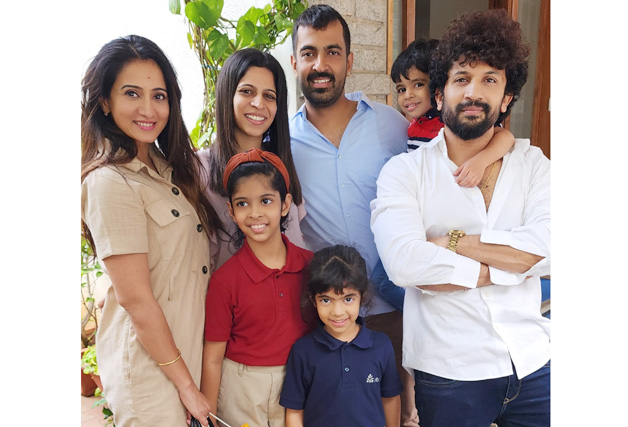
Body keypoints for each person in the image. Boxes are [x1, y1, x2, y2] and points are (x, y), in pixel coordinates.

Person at [371, 9, 551, 427]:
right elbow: (405, 263)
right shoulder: (404, 173)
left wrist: (454, 242)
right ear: (440, 95)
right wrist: (512, 268)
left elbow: (551, 247)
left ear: (506, 98)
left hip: (533, 360)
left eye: (490, 80)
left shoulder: (534, 165)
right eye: (462, 78)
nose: (474, 92)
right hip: (450, 371)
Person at [81, 35, 222, 426]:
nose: (148, 109)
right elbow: (137, 301)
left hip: (185, 354)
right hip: (150, 373)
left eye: (158, 96)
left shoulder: (169, 169)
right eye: (131, 94)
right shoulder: (109, 182)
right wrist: (187, 387)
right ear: (105, 102)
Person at [289, 5, 419, 426]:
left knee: (404, 416)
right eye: (309, 53)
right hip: (329, 319)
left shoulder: (392, 126)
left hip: (395, 308)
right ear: (294, 62)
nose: (320, 64)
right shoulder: (283, 142)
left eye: (332, 52)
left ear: (349, 59)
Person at [201, 148, 314, 427]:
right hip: (243, 392)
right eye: (242, 203)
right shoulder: (224, 280)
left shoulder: (312, 267)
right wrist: (209, 419)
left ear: (285, 204)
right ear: (231, 210)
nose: (254, 213)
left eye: (265, 201)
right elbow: (213, 358)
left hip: (302, 385)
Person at [197, 48, 306, 273]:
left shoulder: (282, 165)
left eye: (269, 96)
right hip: (223, 294)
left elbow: (296, 244)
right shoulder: (199, 169)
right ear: (227, 95)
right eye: (247, 91)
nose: (258, 103)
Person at [280, 245, 402, 427]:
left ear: (362, 296)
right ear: (313, 300)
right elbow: (295, 411)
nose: (337, 312)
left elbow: (390, 399)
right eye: (326, 300)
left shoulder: (381, 345)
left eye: (348, 299)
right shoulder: (303, 351)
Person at [392, 38, 515, 187]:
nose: (408, 95)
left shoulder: (453, 120)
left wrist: (480, 162)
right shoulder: (414, 124)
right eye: (401, 89)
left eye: (418, 84)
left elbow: (505, 137)